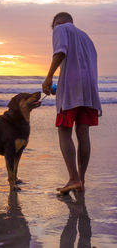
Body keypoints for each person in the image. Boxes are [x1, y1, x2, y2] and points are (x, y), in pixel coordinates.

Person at [42, 12, 102, 194]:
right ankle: (80, 180)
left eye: (53, 27)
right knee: (83, 132)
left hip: (72, 89)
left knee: (64, 130)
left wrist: (49, 77)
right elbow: (84, 66)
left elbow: (60, 51)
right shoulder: (87, 38)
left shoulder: (61, 28)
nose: (54, 30)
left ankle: (73, 178)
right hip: (89, 90)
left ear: (57, 22)